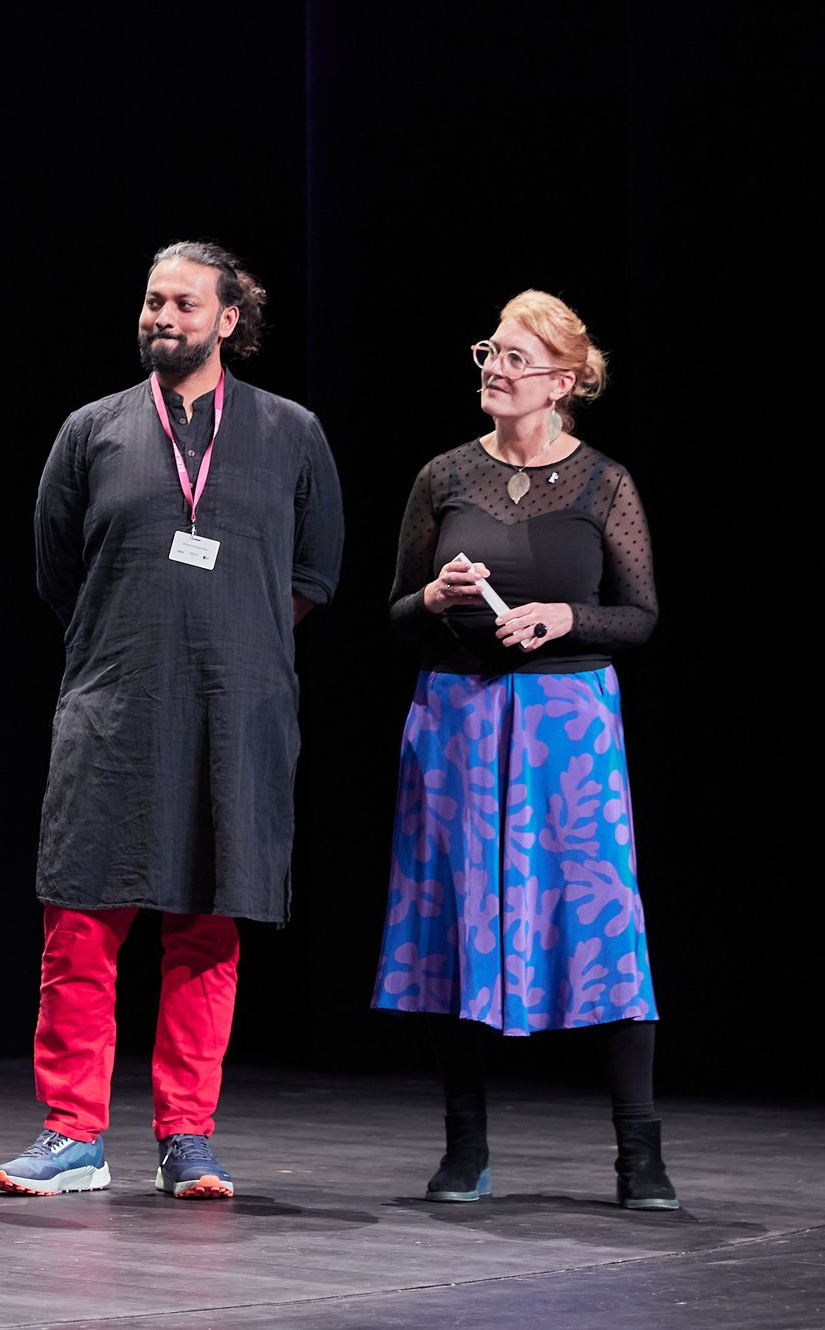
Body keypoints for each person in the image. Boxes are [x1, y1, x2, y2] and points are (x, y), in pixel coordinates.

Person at [0, 242, 343, 1201]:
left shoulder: (290, 432)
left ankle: (187, 1134)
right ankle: (73, 1134)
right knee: (81, 922)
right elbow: (56, 570)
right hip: (114, 704)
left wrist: (228, 640)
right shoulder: (93, 430)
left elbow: (313, 576)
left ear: (230, 319)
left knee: (206, 924)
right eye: (152, 300)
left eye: (185, 303)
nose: (162, 316)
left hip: (235, 712)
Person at [370, 291, 674, 1210]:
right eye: (489, 352)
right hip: (458, 722)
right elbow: (394, 613)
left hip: (567, 731)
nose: (493, 369)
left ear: (564, 382)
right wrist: (433, 598)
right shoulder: (443, 477)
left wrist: (565, 616)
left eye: (514, 357)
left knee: (601, 924)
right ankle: (465, 1148)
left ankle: (640, 1155)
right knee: (459, 923)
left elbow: (641, 615)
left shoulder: (603, 483)